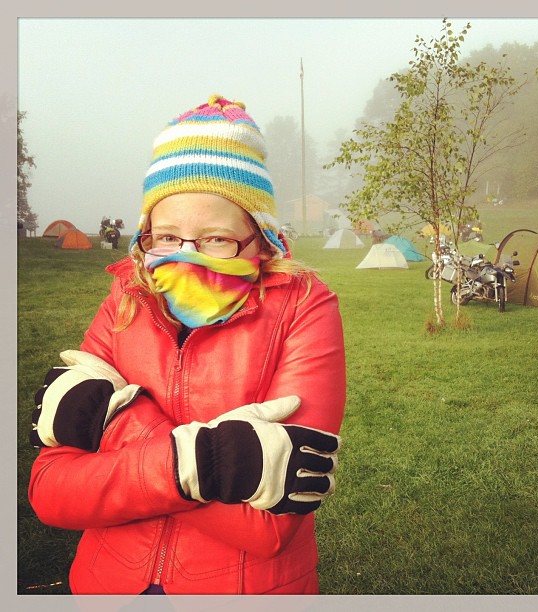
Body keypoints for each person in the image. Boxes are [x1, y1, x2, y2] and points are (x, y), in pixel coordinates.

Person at [28, 94, 346, 595]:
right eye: (167, 237)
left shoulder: (305, 308)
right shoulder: (126, 299)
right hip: (104, 584)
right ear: (146, 234)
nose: (186, 257)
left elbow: (269, 527)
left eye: (217, 239)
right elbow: (51, 493)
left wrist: (112, 422)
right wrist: (207, 462)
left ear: (261, 238)